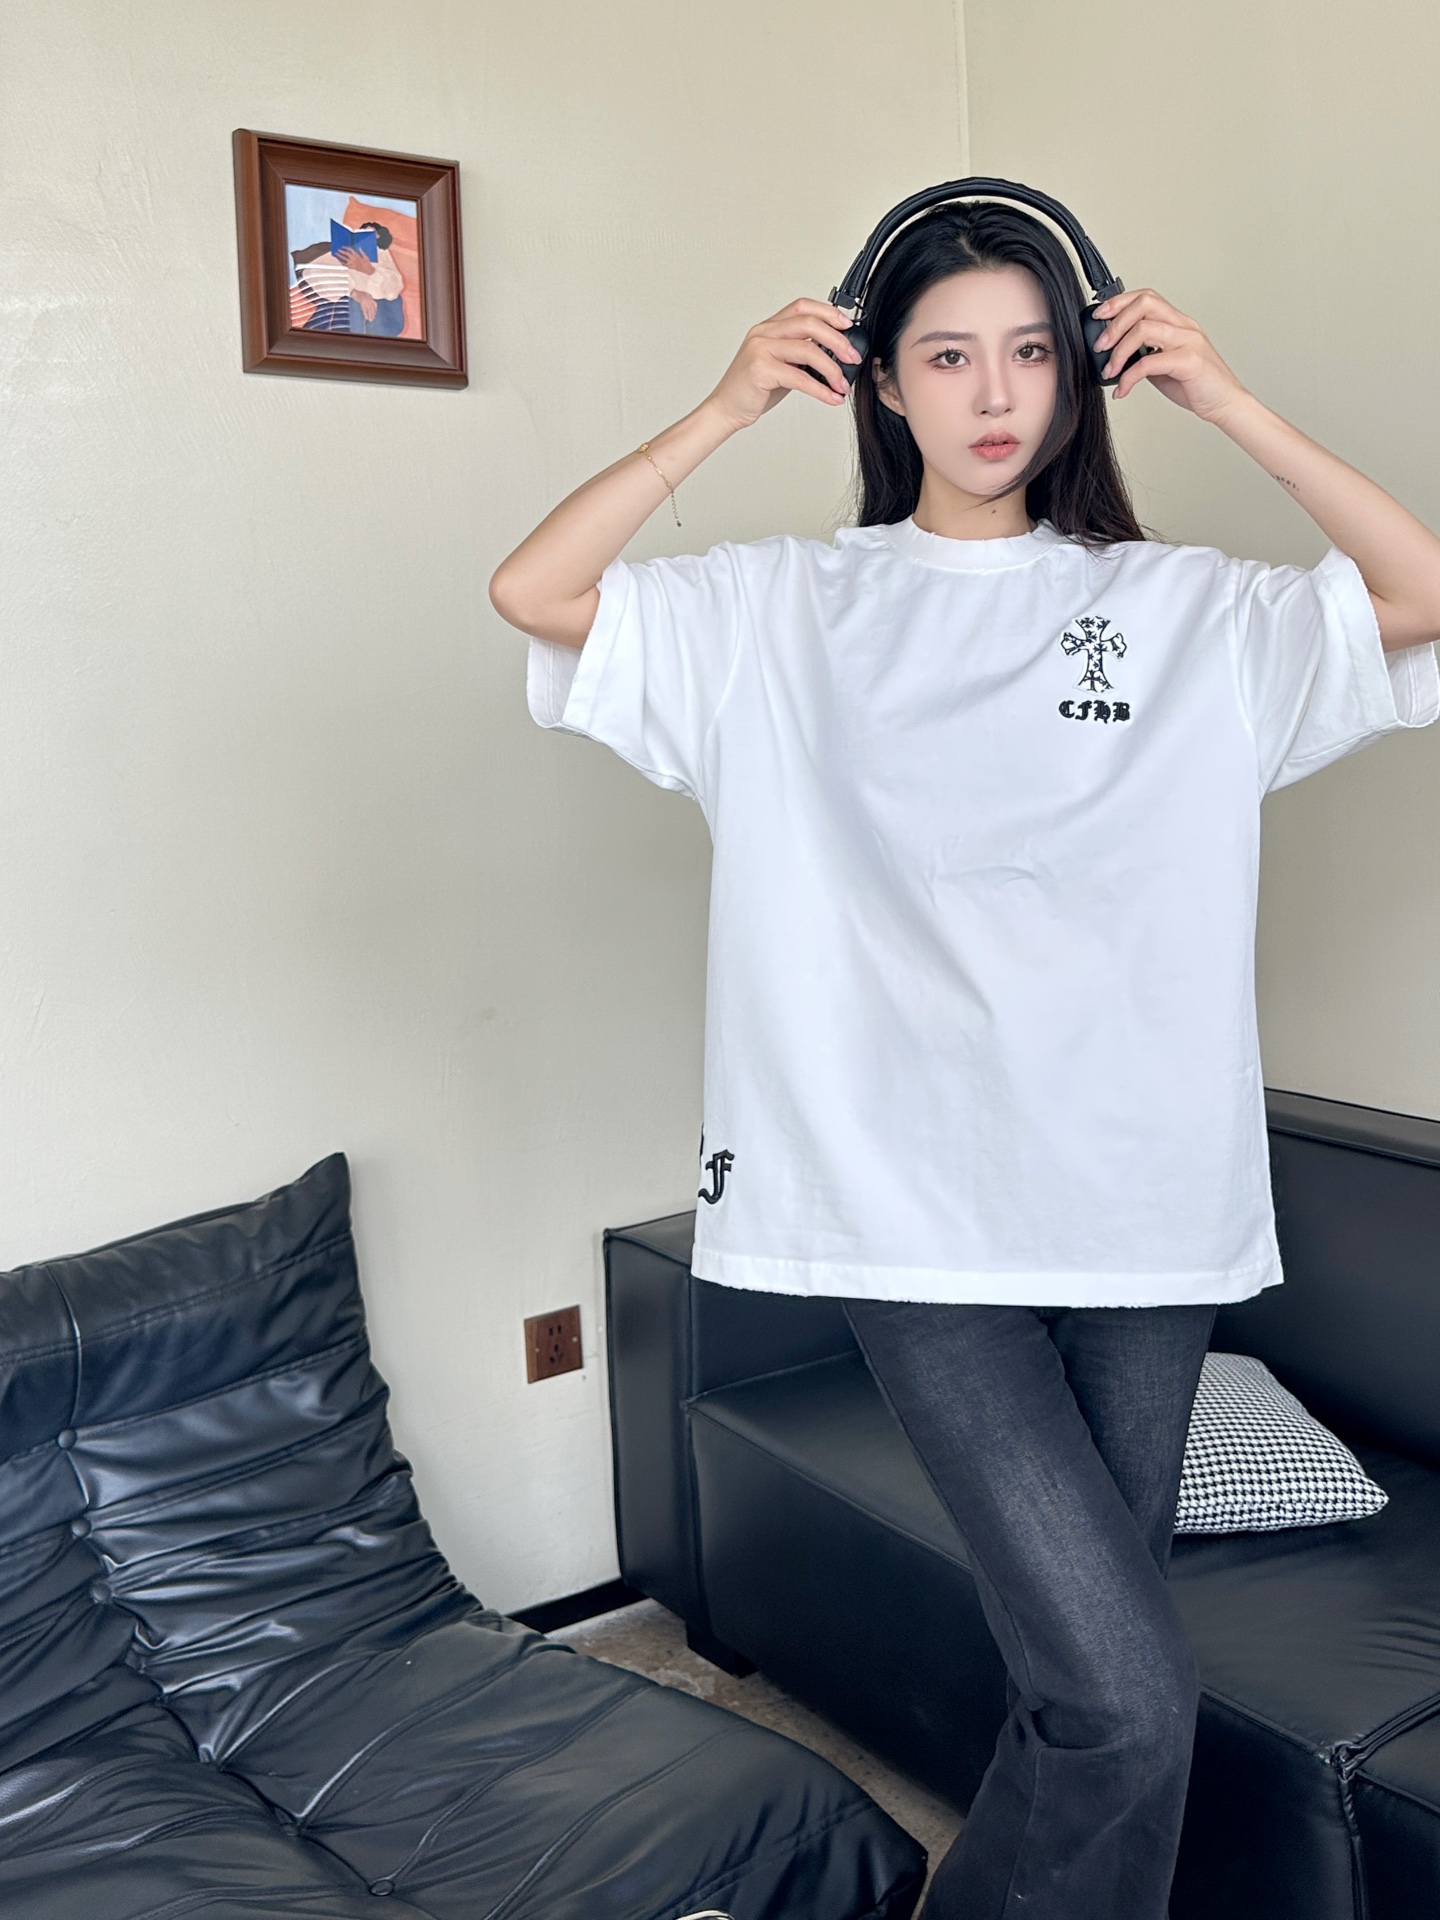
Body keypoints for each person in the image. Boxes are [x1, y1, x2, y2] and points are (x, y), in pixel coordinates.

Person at [488, 197, 1440, 1918]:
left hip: (1146, 1217)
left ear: (1083, 374)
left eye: (1031, 351)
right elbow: (533, 590)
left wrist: (1228, 399)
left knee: (1085, 1684)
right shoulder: (785, 608)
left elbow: (1422, 593)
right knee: (1129, 1695)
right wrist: (723, 408)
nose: (994, 394)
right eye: (946, 355)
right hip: (902, 1215)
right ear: (882, 382)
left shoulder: (1183, 609)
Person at [337, 221, 406, 337]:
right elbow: (343, 280)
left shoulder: (382, 253)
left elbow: (395, 287)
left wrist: (370, 270)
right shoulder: (352, 254)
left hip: (382, 309)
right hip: (354, 305)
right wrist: (356, 294)